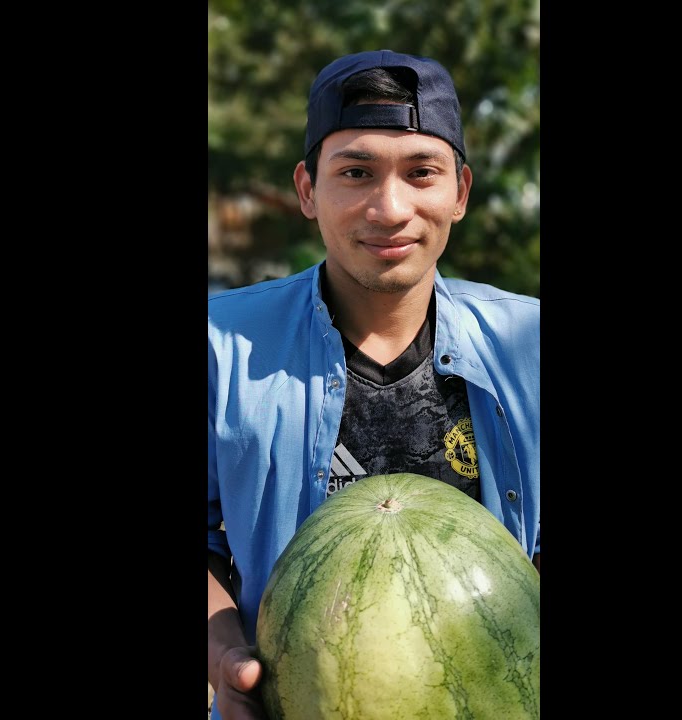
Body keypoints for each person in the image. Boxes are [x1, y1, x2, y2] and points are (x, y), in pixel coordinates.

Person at [207, 49, 539, 719]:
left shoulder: (529, 343)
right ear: (308, 190)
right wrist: (223, 656)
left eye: (422, 173)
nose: (389, 209)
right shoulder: (219, 346)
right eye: (355, 172)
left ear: (461, 193)